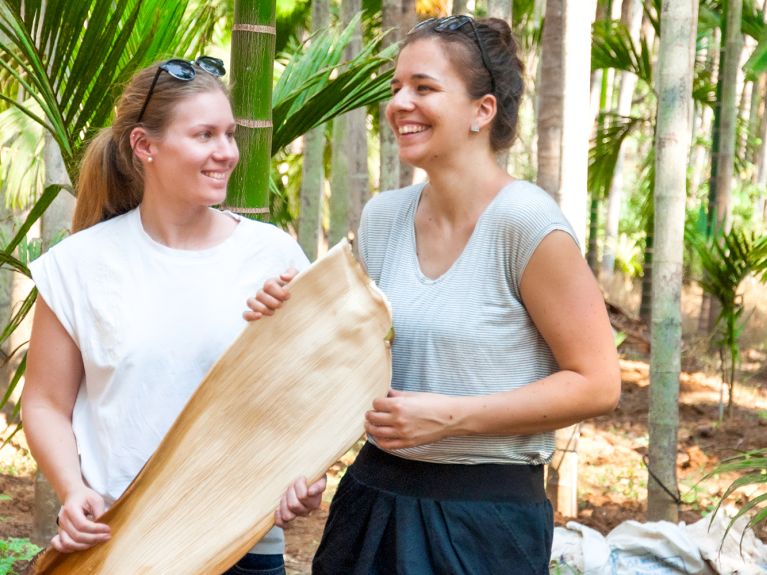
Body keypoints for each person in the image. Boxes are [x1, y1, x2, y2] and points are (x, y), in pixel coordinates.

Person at [250, 15, 621, 575]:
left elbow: (597, 383)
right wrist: (292, 314)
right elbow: (356, 360)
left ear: (482, 110)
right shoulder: (382, 218)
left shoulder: (527, 224)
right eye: (396, 87)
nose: (399, 102)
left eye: (423, 88)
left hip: (483, 519)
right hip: (371, 498)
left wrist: (453, 418)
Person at [21, 56, 325, 575]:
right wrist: (72, 490)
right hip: (123, 543)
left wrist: (305, 476)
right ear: (145, 146)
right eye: (204, 135)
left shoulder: (274, 257)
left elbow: (311, 398)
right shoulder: (79, 264)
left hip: (244, 546)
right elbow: (46, 402)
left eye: (229, 134)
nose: (226, 153)